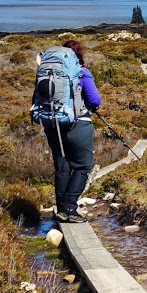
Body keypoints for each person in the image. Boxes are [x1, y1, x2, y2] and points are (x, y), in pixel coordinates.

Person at [42, 38, 102, 223]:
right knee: (82, 166)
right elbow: (95, 100)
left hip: (52, 124)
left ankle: (61, 208)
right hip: (78, 125)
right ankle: (70, 208)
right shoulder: (82, 72)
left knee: (62, 166)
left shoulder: (49, 73)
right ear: (79, 55)